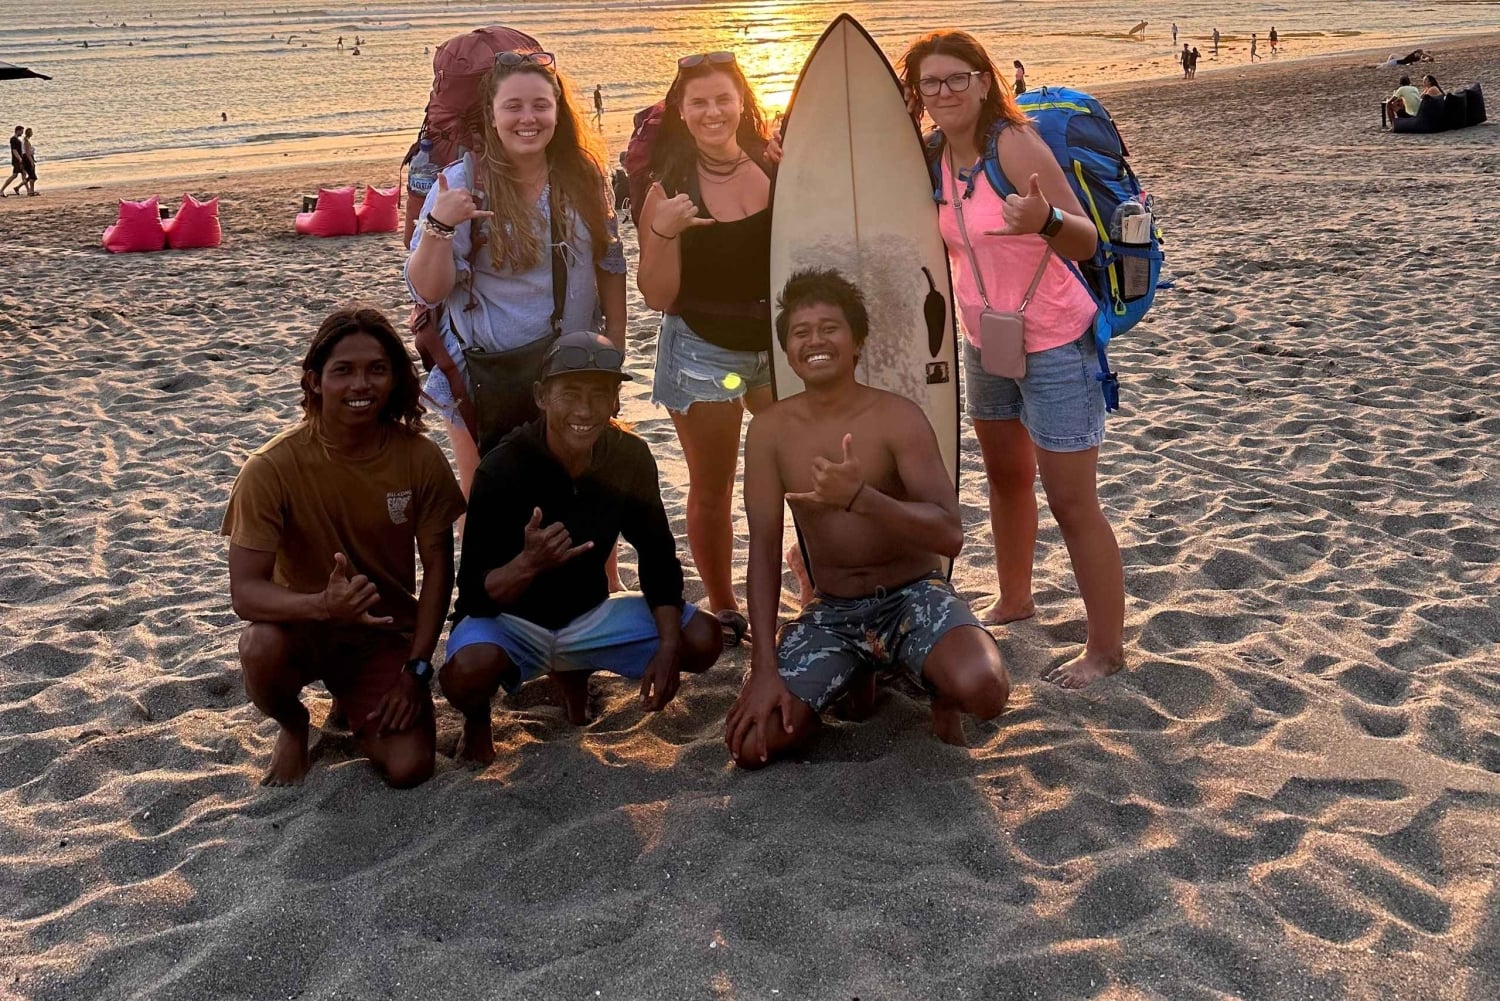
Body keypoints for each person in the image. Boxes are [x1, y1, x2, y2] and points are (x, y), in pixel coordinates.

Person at [899, 30, 1125, 688]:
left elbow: (1087, 242)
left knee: (1071, 499)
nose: (944, 92)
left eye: (956, 78)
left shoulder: (1014, 143)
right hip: (984, 337)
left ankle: (1105, 648)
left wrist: (1044, 218)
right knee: (1004, 475)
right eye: (931, 83)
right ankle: (1015, 596)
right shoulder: (933, 155)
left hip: (1054, 336)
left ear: (982, 79)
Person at [725, 270, 1009, 767]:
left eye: (830, 327)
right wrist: (763, 668)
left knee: (983, 691)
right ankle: (858, 671)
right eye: (800, 331)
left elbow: (950, 534)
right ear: (788, 352)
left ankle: (928, 679)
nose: (815, 340)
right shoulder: (770, 432)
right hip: (833, 612)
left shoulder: (897, 417)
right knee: (754, 745)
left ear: (856, 342)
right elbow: (763, 554)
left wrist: (861, 497)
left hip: (912, 597)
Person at [439, 332, 723, 762]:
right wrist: (528, 563)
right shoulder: (503, 467)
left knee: (702, 637)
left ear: (615, 402)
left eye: (599, 395)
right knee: (468, 670)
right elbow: (474, 595)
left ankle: (574, 673)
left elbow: (658, 556)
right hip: (513, 622)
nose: (584, 411)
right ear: (541, 396)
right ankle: (477, 722)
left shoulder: (629, 456)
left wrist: (667, 648)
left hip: (590, 616)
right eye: (569, 394)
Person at [223, 308, 466, 788]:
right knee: (259, 645)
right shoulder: (269, 468)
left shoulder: (418, 457)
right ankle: (294, 726)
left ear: (394, 377)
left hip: (383, 634)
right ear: (314, 381)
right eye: (344, 371)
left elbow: (439, 570)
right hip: (304, 629)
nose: (362, 385)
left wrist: (416, 671)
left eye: (377, 369)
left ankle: (355, 700)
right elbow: (245, 594)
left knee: (410, 767)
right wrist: (322, 605)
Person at [406, 49, 627, 497]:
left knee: (588, 499)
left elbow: (609, 263)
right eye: (513, 106)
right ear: (490, 115)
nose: (528, 118)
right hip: (489, 379)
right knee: (488, 506)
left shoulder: (583, 175)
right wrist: (440, 226)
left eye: (541, 105)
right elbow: (429, 292)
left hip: (573, 370)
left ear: (558, 112)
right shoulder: (463, 183)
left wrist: (615, 352)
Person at [637, 50, 779, 646]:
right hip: (701, 351)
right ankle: (723, 603)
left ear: (743, 102)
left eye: (723, 98)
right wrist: (665, 231)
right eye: (699, 102)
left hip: (777, 347)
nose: (713, 111)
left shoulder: (780, 168)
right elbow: (658, 295)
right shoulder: (668, 188)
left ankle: (810, 572)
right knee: (713, 483)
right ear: (682, 111)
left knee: (797, 471)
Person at [1, 126, 23, 197]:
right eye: (21, 131)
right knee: (14, 175)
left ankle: (27, 190)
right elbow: (14, 150)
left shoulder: (17, 139)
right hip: (17, 160)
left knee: (24, 174)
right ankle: (1, 190)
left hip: (19, 159)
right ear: (17, 131)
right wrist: (19, 158)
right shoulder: (13, 139)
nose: (22, 133)